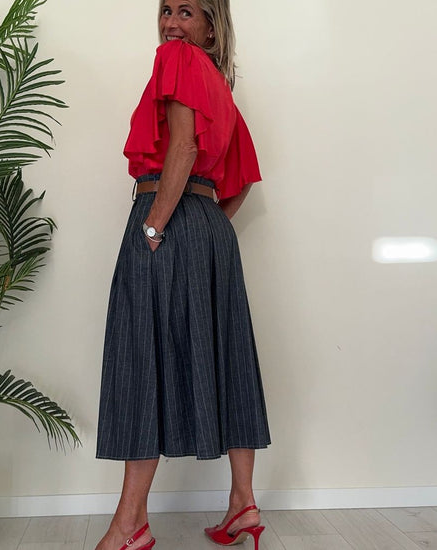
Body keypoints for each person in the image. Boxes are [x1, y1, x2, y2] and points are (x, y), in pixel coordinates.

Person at [95, 1, 271, 549]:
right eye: (166, 10)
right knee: (228, 356)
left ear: (211, 27)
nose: (171, 22)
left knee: (139, 361)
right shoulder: (220, 86)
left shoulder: (177, 59)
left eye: (187, 12)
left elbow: (184, 145)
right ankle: (243, 503)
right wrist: (207, 227)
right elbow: (242, 177)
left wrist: (155, 225)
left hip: (167, 220)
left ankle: (129, 525)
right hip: (209, 228)